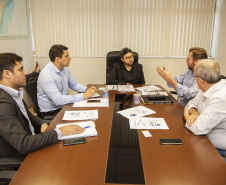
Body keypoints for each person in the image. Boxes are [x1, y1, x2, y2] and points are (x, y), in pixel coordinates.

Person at [0, 53, 85, 158]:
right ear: (7, 74)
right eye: (21, 69)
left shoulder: (13, 93)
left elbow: (28, 116)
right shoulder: (3, 103)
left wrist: (42, 124)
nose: (25, 73)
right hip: (23, 157)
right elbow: (23, 144)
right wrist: (59, 132)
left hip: (33, 143)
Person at [37, 44, 97, 117]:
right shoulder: (47, 74)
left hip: (62, 106)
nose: (70, 58)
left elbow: (74, 84)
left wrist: (87, 89)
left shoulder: (64, 69)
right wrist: (83, 96)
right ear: (57, 59)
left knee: (88, 111)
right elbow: (58, 100)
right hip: (51, 112)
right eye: (66, 56)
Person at [184, 59, 226, 157]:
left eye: (194, 77)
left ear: (200, 80)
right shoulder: (208, 86)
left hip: (215, 147)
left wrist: (187, 114)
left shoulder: (221, 97)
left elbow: (197, 128)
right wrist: (195, 113)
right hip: (201, 138)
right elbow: (191, 103)